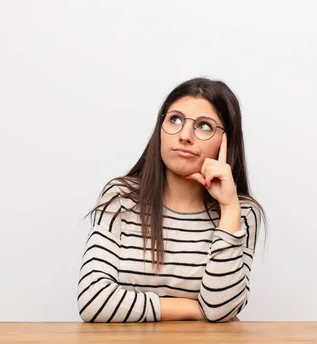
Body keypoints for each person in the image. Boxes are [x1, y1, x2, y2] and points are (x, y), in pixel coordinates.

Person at [78, 77, 266, 323]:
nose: (185, 135)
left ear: (225, 141)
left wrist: (229, 208)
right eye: (175, 120)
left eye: (204, 126)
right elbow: (93, 300)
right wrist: (192, 309)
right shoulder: (121, 198)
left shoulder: (241, 213)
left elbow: (221, 309)